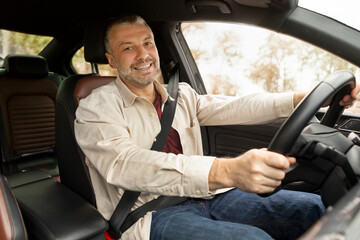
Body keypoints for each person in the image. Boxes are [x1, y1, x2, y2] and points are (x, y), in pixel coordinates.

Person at [74, 15, 360, 240]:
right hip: (149, 215)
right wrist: (226, 171)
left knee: (313, 209)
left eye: (147, 43)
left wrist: (302, 98)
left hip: (206, 195)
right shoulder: (95, 108)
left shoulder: (181, 95)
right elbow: (126, 165)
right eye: (128, 48)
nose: (143, 54)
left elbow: (236, 106)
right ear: (110, 60)